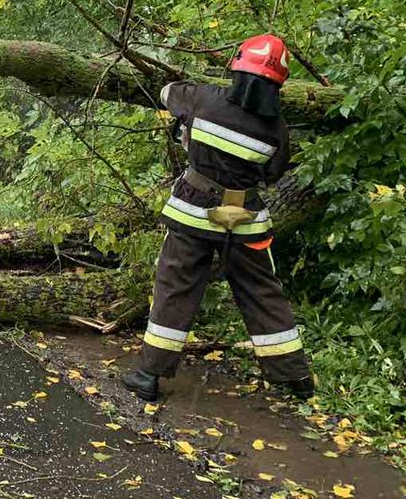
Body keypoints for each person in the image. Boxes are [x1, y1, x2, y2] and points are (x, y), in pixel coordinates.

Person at [122, 34, 314, 402]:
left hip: (193, 216)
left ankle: (149, 374)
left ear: (237, 68)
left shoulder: (202, 98)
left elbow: (167, 93)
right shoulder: (277, 131)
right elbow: (272, 173)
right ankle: (295, 378)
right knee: (262, 292)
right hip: (244, 222)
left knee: (176, 288)